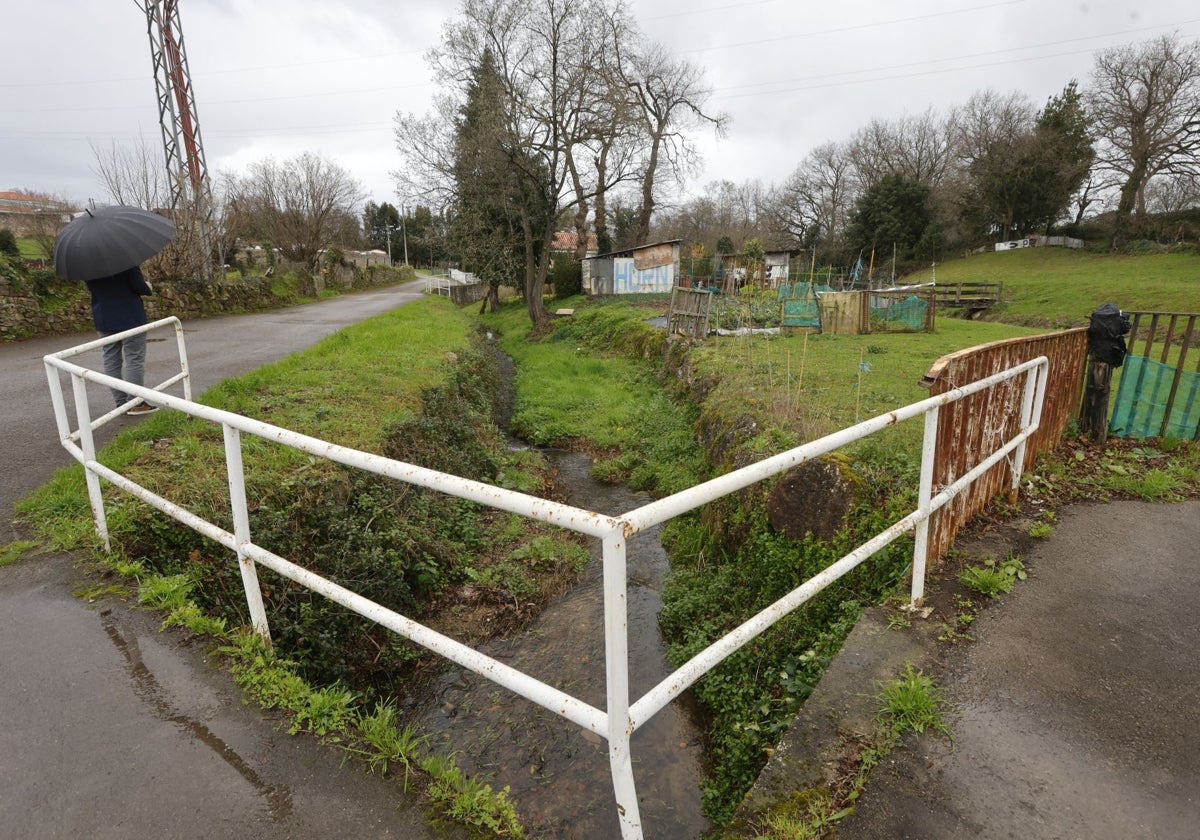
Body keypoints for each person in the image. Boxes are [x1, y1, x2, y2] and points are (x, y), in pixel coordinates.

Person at [85, 265, 156, 415]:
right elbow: (138, 286)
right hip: (130, 316)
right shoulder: (125, 260)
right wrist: (147, 287)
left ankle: (120, 402)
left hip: (103, 317)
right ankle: (135, 402)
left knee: (111, 359)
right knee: (134, 358)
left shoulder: (87, 264)